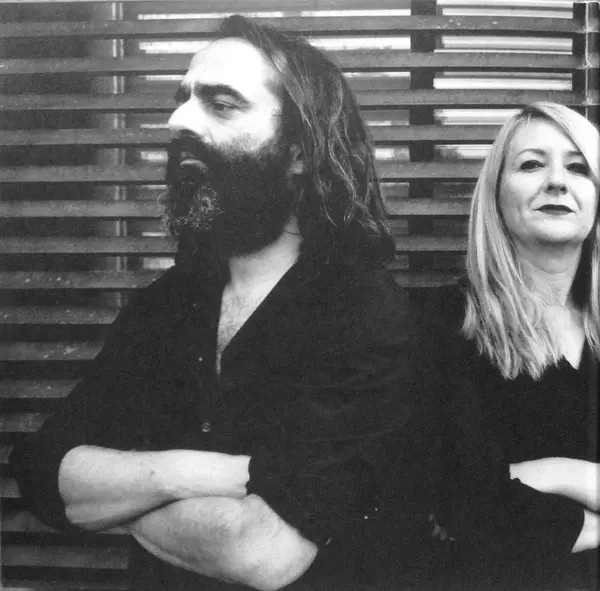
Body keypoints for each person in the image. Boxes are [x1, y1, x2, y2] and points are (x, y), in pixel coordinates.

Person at [12, 15, 433, 591]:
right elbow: (42, 474)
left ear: (298, 152)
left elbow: (256, 551)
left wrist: (115, 497)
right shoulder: (165, 306)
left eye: (222, 104)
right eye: (183, 99)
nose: (178, 121)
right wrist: (201, 473)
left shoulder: (364, 313)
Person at [421, 102, 600, 589]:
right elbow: (455, 505)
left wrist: (530, 476)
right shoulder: (442, 326)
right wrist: (573, 475)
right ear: (496, 194)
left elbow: (487, 493)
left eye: (578, 168)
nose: (557, 182)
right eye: (532, 164)